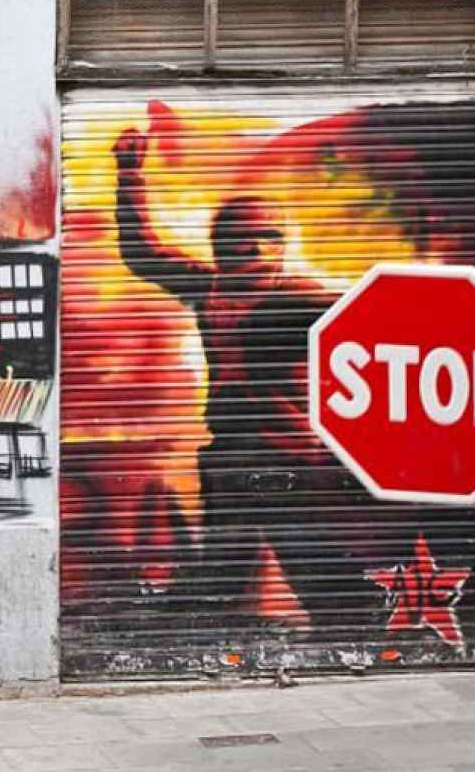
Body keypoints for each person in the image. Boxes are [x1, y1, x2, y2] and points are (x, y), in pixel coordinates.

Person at [112, 129, 366, 632]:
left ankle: (357, 636)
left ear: (282, 246)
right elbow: (142, 252)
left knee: (314, 566)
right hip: (229, 453)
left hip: (290, 456)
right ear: (220, 244)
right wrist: (129, 176)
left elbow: (376, 318)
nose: (254, 246)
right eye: (240, 236)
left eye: (268, 236)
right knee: (226, 570)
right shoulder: (210, 287)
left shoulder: (300, 296)